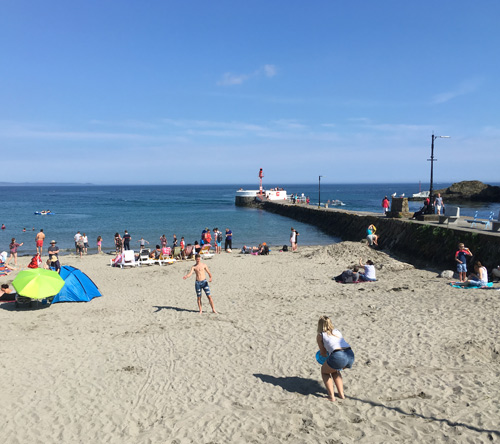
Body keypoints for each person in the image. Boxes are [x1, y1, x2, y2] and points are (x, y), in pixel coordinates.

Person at [316, 315, 355, 401]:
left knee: (324, 372)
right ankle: (341, 395)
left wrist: (323, 358)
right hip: (350, 354)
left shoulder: (320, 335)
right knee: (335, 371)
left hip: (339, 356)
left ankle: (331, 396)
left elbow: (322, 353)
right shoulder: (337, 331)